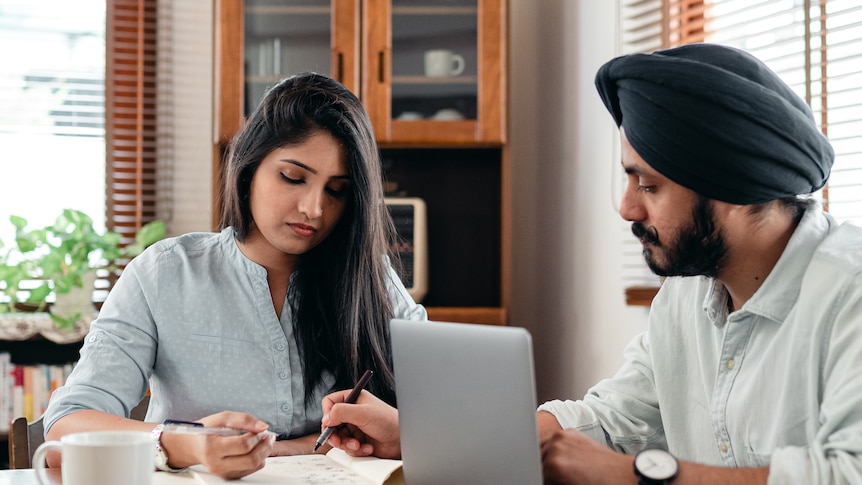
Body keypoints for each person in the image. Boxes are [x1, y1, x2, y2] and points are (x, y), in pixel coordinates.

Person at [319, 44, 862, 484]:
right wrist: (425, 436)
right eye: (628, 178)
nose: (626, 207)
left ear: (736, 191)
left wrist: (639, 476)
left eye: (648, 184)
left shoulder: (849, 292)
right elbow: (613, 419)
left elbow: (847, 473)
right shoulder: (687, 294)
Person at [42, 72, 427, 480]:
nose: (314, 208)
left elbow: (456, 417)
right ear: (249, 167)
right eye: (293, 178)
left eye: (336, 190)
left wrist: (405, 434)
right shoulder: (166, 273)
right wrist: (180, 442)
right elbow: (64, 431)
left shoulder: (372, 280)